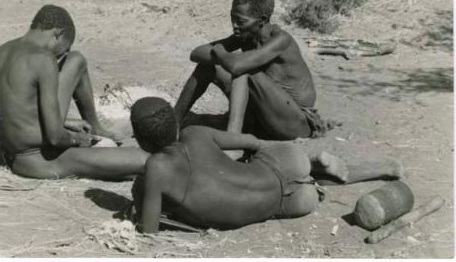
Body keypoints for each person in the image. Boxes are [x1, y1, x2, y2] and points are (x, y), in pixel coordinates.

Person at [130, 97, 402, 233]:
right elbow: (250, 141)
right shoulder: (195, 133)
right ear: (176, 124)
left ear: (140, 139)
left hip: (291, 205)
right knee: (293, 171)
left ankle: (315, 179)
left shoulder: (157, 168)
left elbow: (149, 230)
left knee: (311, 188)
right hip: (284, 159)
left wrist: (140, 195)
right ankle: (320, 164)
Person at [0, 5, 149, 179]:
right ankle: (95, 135)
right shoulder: (43, 58)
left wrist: (67, 123)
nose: (66, 52)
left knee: (75, 60)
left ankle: (96, 127)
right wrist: (79, 139)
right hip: (39, 160)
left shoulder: (2, 50)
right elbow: (55, 138)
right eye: (67, 46)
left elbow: (19, 108)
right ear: (58, 34)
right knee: (145, 160)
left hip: (12, 152)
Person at [174, 0, 326, 159]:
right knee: (208, 67)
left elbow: (237, 67)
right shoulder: (246, 37)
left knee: (244, 69)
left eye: (241, 21)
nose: (234, 26)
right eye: (232, 19)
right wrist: (221, 53)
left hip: (295, 123)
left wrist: (220, 51)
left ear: (261, 20)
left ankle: (233, 141)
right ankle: (173, 123)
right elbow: (196, 53)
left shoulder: (281, 40)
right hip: (265, 119)